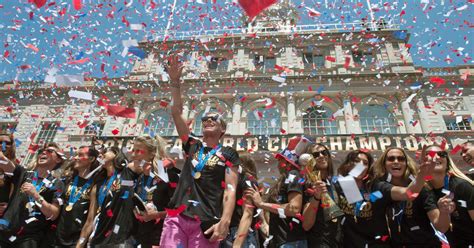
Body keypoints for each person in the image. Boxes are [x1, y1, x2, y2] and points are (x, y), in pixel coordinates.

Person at [160, 55, 240, 248]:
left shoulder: (229, 154)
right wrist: (175, 82)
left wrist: (225, 220)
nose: (209, 120)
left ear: (223, 130)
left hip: (206, 220)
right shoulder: (192, 145)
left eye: (214, 119)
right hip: (177, 215)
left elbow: (230, 189)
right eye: (205, 120)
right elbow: (176, 112)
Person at [335, 149, 433, 248]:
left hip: (377, 244)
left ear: (368, 168)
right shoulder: (341, 184)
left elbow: (409, 194)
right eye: (356, 161)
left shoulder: (377, 187)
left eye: (365, 163)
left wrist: (421, 175)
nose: (360, 166)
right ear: (348, 164)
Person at [371, 147, 454, 248]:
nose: (396, 162)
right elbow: (408, 194)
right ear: (384, 164)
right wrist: (422, 174)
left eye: (401, 159)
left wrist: (444, 212)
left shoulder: (422, 188)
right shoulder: (380, 187)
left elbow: (441, 227)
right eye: (391, 159)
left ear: (406, 163)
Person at [0, 142, 65, 248]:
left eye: (49, 151)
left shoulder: (58, 184)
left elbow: (53, 215)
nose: (43, 152)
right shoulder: (23, 173)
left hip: (28, 238)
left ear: (58, 159)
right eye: (41, 151)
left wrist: (36, 196)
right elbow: (4, 162)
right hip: (4, 231)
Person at [77, 146, 142, 248]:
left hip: (121, 240)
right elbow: (90, 220)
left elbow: (146, 163)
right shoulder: (97, 186)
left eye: (104, 152)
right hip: (98, 241)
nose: (100, 154)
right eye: (99, 153)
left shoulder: (128, 171)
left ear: (116, 153)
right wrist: (79, 245)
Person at [245, 148, 306, 248]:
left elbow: (294, 208)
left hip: (291, 242)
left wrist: (261, 204)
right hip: (284, 241)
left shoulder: (293, 174)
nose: (278, 163)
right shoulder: (285, 179)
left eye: (280, 160)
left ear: (287, 162)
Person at [131, 136, 180, 248]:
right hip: (142, 238)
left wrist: (156, 215)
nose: (133, 155)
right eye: (133, 150)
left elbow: (180, 210)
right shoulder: (140, 178)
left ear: (152, 153)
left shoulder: (168, 175)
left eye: (138, 151)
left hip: (163, 239)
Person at [422, 144, 474, 247]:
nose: (436, 157)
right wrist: (444, 212)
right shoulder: (427, 192)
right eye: (430, 154)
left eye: (441, 154)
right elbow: (442, 228)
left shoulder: (461, 186)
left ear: (447, 162)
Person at [55, 146, 100, 247]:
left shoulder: (95, 185)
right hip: (55, 239)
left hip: (75, 242)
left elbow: (90, 220)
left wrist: (80, 244)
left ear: (91, 159)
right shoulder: (67, 180)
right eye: (76, 155)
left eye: (80, 155)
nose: (75, 158)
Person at [302, 143, 342, 248]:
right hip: (319, 243)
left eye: (324, 152)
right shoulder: (306, 186)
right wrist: (316, 197)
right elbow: (306, 225)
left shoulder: (335, 184)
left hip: (338, 242)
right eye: (316, 154)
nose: (321, 156)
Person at [221, 152, 259, 248]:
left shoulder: (248, 180)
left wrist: (237, 244)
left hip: (241, 232)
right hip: (228, 231)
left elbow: (247, 214)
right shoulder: (230, 181)